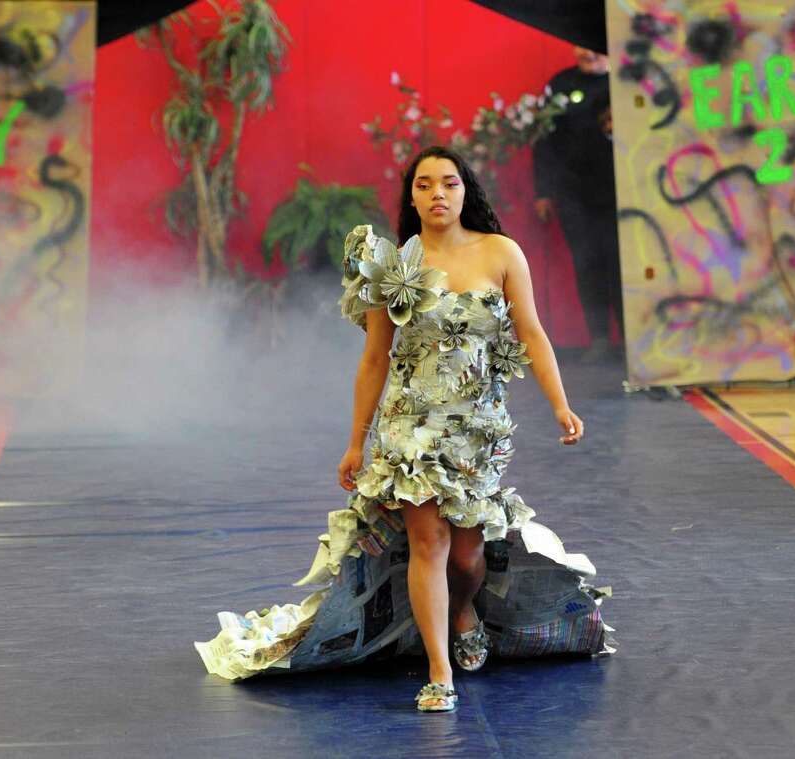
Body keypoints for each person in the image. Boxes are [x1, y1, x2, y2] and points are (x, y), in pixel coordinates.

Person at [195, 146, 611, 713]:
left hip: (477, 430)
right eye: (424, 184)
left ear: (466, 191)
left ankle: (463, 610)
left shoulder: (502, 253)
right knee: (428, 543)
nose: (438, 193)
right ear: (410, 195)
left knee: (467, 555)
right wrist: (355, 441)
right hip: (409, 428)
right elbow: (373, 362)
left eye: (449, 183)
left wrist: (561, 404)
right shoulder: (390, 269)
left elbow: (533, 334)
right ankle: (440, 669)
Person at [533, 46, 623, 363]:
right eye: (581, 46)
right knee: (588, 264)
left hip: (622, 194)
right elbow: (544, 141)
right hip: (574, 195)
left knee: (622, 265)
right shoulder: (560, 85)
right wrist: (543, 192)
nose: (588, 52)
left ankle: (630, 340)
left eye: (594, 47)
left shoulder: (626, 81)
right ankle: (599, 339)